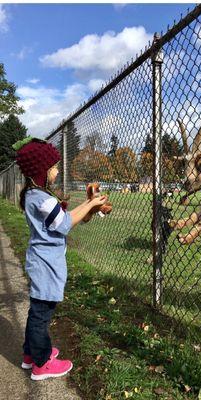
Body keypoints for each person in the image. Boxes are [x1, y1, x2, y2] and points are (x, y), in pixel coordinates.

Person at [12, 136, 107, 381]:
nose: (57, 171)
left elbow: (62, 216)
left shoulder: (36, 195)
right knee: (41, 314)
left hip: (42, 261)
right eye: (53, 167)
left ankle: (30, 355)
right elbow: (64, 224)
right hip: (46, 265)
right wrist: (91, 204)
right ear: (41, 169)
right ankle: (41, 364)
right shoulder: (42, 199)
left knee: (37, 312)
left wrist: (88, 203)